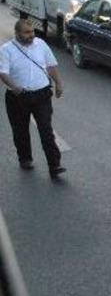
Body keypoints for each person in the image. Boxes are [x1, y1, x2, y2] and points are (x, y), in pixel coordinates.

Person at [0, 19, 65, 178]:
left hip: (41, 94)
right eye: (27, 33)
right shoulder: (6, 50)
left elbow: (51, 65)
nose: (31, 36)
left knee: (46, 130)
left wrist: (59, 83)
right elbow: (3, 72)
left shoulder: (41, 44)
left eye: (32, 32)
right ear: (17, 33)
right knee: (20, 130)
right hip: (18, 97)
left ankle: (54, 165)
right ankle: (25, 158)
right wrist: (15, 87)